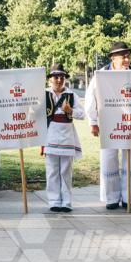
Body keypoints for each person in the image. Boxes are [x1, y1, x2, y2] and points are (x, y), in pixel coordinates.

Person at [86, 41, 131, 211]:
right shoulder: (101, 76)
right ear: (113, 58)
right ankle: (111, 198)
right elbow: (90, 99)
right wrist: (93, 122)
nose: (126, 59)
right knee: (109, 159)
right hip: (108, 123)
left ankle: (129, 198)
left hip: (130, 123)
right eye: (123, 56)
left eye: (128, 56)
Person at [44, 64, 85, 213]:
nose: (59, 79)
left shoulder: (72, 95)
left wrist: (71, 110)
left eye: (62, 77)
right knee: (52, 171)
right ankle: (54, 201)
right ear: (50, 80)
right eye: (56, 77)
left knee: (66, 171)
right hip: (50, 136)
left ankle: (66, 201)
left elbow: (82, 115)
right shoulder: (44, 94)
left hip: (67, 136)